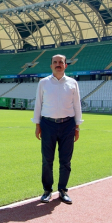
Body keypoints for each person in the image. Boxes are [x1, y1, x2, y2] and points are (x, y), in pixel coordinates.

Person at [32, 54, 82, 204]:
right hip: (48, 125)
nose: (58, 64)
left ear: (66, 65)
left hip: (68, 125)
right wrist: (37, 125)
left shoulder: (73, 83)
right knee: (47, 160)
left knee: (66, 160)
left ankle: (62, 190)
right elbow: (38, 104)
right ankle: (47, 190)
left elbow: (77, 105)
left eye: (61, 62)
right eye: (55, 62)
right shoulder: (43, 83)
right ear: (51, 66)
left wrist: (77, 127)